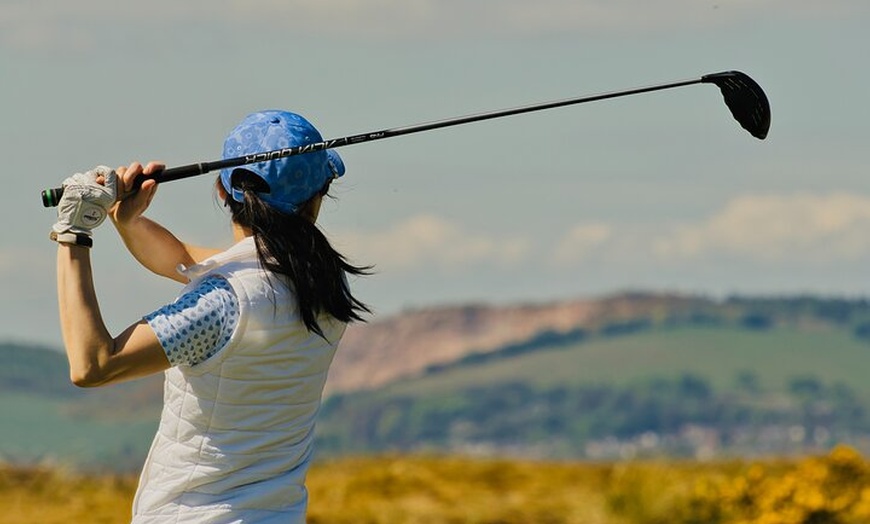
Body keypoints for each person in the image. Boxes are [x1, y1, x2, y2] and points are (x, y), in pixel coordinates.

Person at [51, 110, 371, 523]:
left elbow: (94, 364)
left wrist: (73, 233)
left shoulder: (222, 301)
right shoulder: (324, 281)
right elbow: (184, 261)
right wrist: (126, 221)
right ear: (317, 196)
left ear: (223, 191)